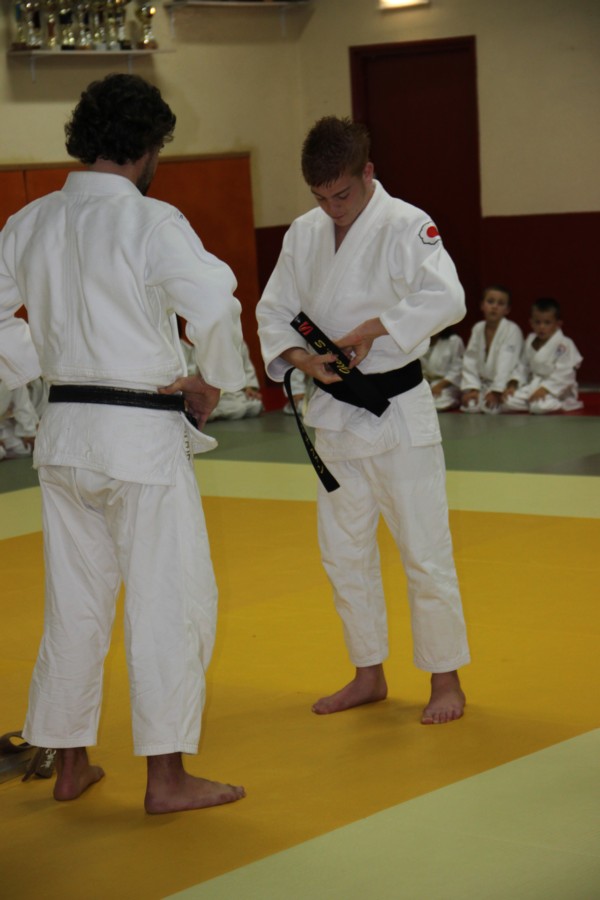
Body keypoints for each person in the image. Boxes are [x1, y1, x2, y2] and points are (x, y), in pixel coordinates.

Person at [0, 74, 246, 813]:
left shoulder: (29, 221)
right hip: (138, 437)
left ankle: (69, 763)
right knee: (169, 601)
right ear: (146, 147)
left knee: (74, 604)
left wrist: (46, 356)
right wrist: (213, 380)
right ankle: (166, 779)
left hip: (63, 436)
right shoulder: (151, 220)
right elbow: (216, 304)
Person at [256, 116, 470, 725]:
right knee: (344, 554)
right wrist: (303, 359)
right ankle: (368, 673)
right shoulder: (304, 233)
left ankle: (445, 678)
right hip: (333, 415)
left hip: (398, 411)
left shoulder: (406, 223)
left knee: (424, 551)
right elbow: (274, 309)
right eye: (321, 197)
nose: (333, 208)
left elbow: (448, 298)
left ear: (367, 171)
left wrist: (377, 328)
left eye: (342, 194)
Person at [502, 297, 584, 414]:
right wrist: (513, 384)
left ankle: (562, 403)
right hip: (534, 385)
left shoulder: (564, 344)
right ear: (531, 322)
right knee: (507, 400)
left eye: (547, 323)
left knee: (539, 406)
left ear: (558, 324)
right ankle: (533, 402)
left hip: (558, 390)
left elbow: (565, 373)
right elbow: (523, 366)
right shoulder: (530, 340)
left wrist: (545, 389)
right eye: (537, 322)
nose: (542, 327)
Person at [460, 284, 523, 413]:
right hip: (483, 384)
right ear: (482, 305)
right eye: (490, 301)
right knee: (471, 405)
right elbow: (470, 360)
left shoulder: (512, 329)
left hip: (505, 384)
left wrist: (497, 390)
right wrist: (473, 388)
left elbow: (506, 362)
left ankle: (495, 397)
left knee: (504, 402)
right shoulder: (478, 328)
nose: (495, 307)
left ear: (507, 309)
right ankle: (483, 396)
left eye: (501, 303)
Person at [207, 340, 264, 421]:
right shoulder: (207, 341)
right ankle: (210, 412)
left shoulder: (239, 341)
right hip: (216, 393)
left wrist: (249, 388)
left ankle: (220, 410)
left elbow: (247, 369)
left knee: (256, 406)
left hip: (235, 392)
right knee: (238, 409)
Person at [420, 326, 465, 411]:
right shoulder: (420, 343)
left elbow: (457, 369)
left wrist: (439, 386)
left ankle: (454, 399)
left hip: (447, 384)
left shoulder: (454, 340)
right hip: (426, 383)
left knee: (438, 402)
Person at [0, 378, 38, 460]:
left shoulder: (13, 377)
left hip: (4, 427)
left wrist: (30, 433)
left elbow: (23, 406)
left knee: (26, 448)